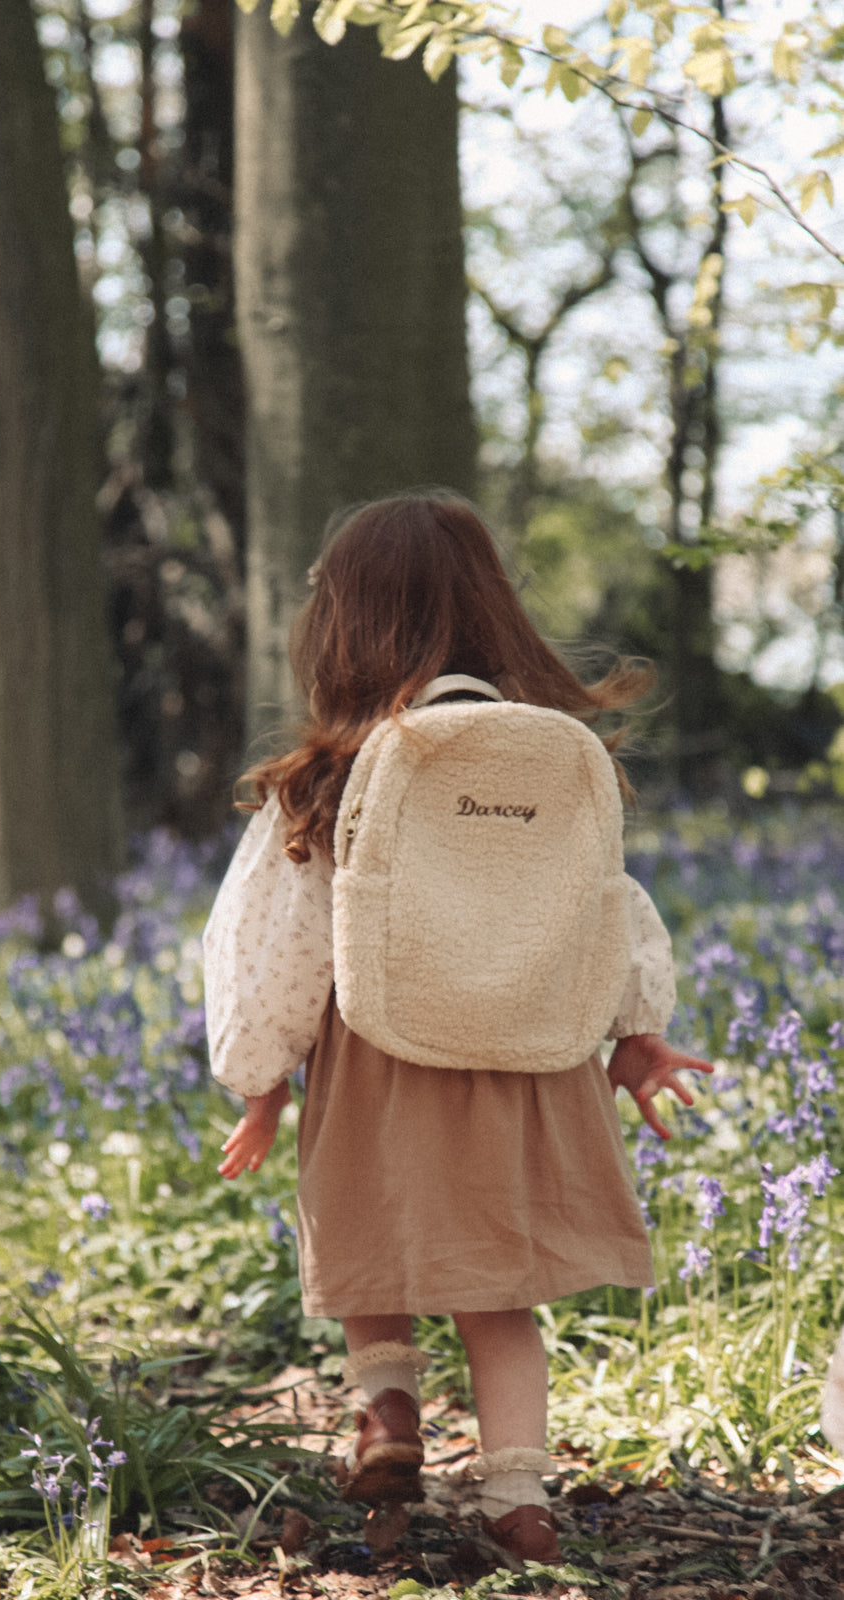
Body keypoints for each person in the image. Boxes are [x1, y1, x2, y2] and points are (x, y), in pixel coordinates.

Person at [203, 492, 713, 1563]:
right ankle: (518, 1502)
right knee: (499, 1294)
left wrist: (260, 1071)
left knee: (369, 1241)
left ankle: (384, 1406)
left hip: (382, 1054)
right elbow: (604, 901)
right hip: (532, 1058)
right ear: (494, 612)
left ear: (340, 623)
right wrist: (635, 1031)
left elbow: (279, 935)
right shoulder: (555, 757)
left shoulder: (333, 769)